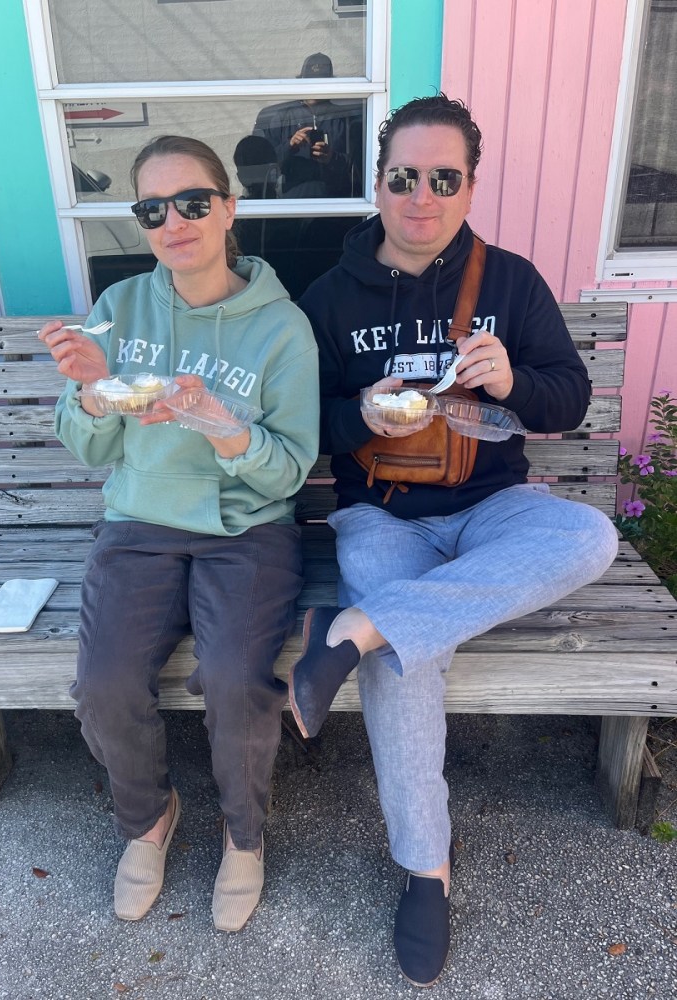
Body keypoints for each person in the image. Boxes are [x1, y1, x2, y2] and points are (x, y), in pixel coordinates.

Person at [291, 95, 619, 987]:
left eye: (444, 178)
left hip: (494, 507)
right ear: (380, 183)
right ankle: (424, 870)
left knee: (589, 536)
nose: (423, 196)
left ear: (470, 185)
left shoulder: (508, 281)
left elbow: (568, 399)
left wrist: (515, 378)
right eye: (405, 177)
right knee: (410, 658)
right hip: (381, 513)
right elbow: (300, 425)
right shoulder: (328, 295)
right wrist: (358, 413)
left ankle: (350, 629)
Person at [38, 135, 319, 932]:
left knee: (234, 678)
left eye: (193, 201)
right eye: (152, 209)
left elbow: (289, 472)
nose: (175, 221)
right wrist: (92, 392)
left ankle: (244, 834)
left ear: (228, 209)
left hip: (247, 531)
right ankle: (148, 816)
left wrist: (218, 423)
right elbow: (89, 445)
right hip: (138, 525)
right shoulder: (119, 311)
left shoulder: (281, 329)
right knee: (103, 684)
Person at [252, 52, 362, 198]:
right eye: (311, 82)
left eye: (321, 82)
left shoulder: (346, 119)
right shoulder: (280, 117)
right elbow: (259, 166)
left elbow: (360, 168)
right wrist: (289, 146)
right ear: (301, 82)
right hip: (289, 203)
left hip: (336, 203)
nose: (316, 87)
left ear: (331, 84)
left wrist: (331, 157)